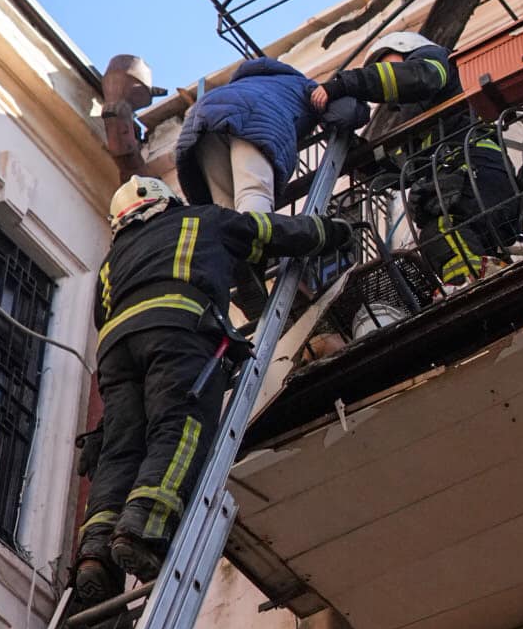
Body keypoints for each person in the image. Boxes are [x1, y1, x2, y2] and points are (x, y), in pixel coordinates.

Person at [73, 176, 352, 605]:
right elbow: (269, 232)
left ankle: (96, 553)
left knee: (120, 449)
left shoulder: (110, 264)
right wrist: (334, 231)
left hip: (114, 354)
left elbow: (101, 316)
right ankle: (146, 524)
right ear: (166, 203)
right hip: (178, 331)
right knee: (178, 423)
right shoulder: (200, 220)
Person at [310, 31, 523, 287]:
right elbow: (400, 173)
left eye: (385, 65)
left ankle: (474, 283)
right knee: (436, 238)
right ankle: (481, 277)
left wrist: (343, 84)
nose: (383, 73)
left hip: (477, 174)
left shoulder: (435, 61)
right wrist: (358, 155)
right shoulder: (415, 125)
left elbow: (416, 78)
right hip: (465, 190)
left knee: (442, 234)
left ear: (406, 48)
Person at [175, 56, 366, 213]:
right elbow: (345, 113)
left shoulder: (243, 84)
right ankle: (259, 247)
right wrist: (349, 101)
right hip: (255, 117)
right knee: (253, 190)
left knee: (224, 209)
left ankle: (237, 256)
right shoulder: (301, 84)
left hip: (200, 122)